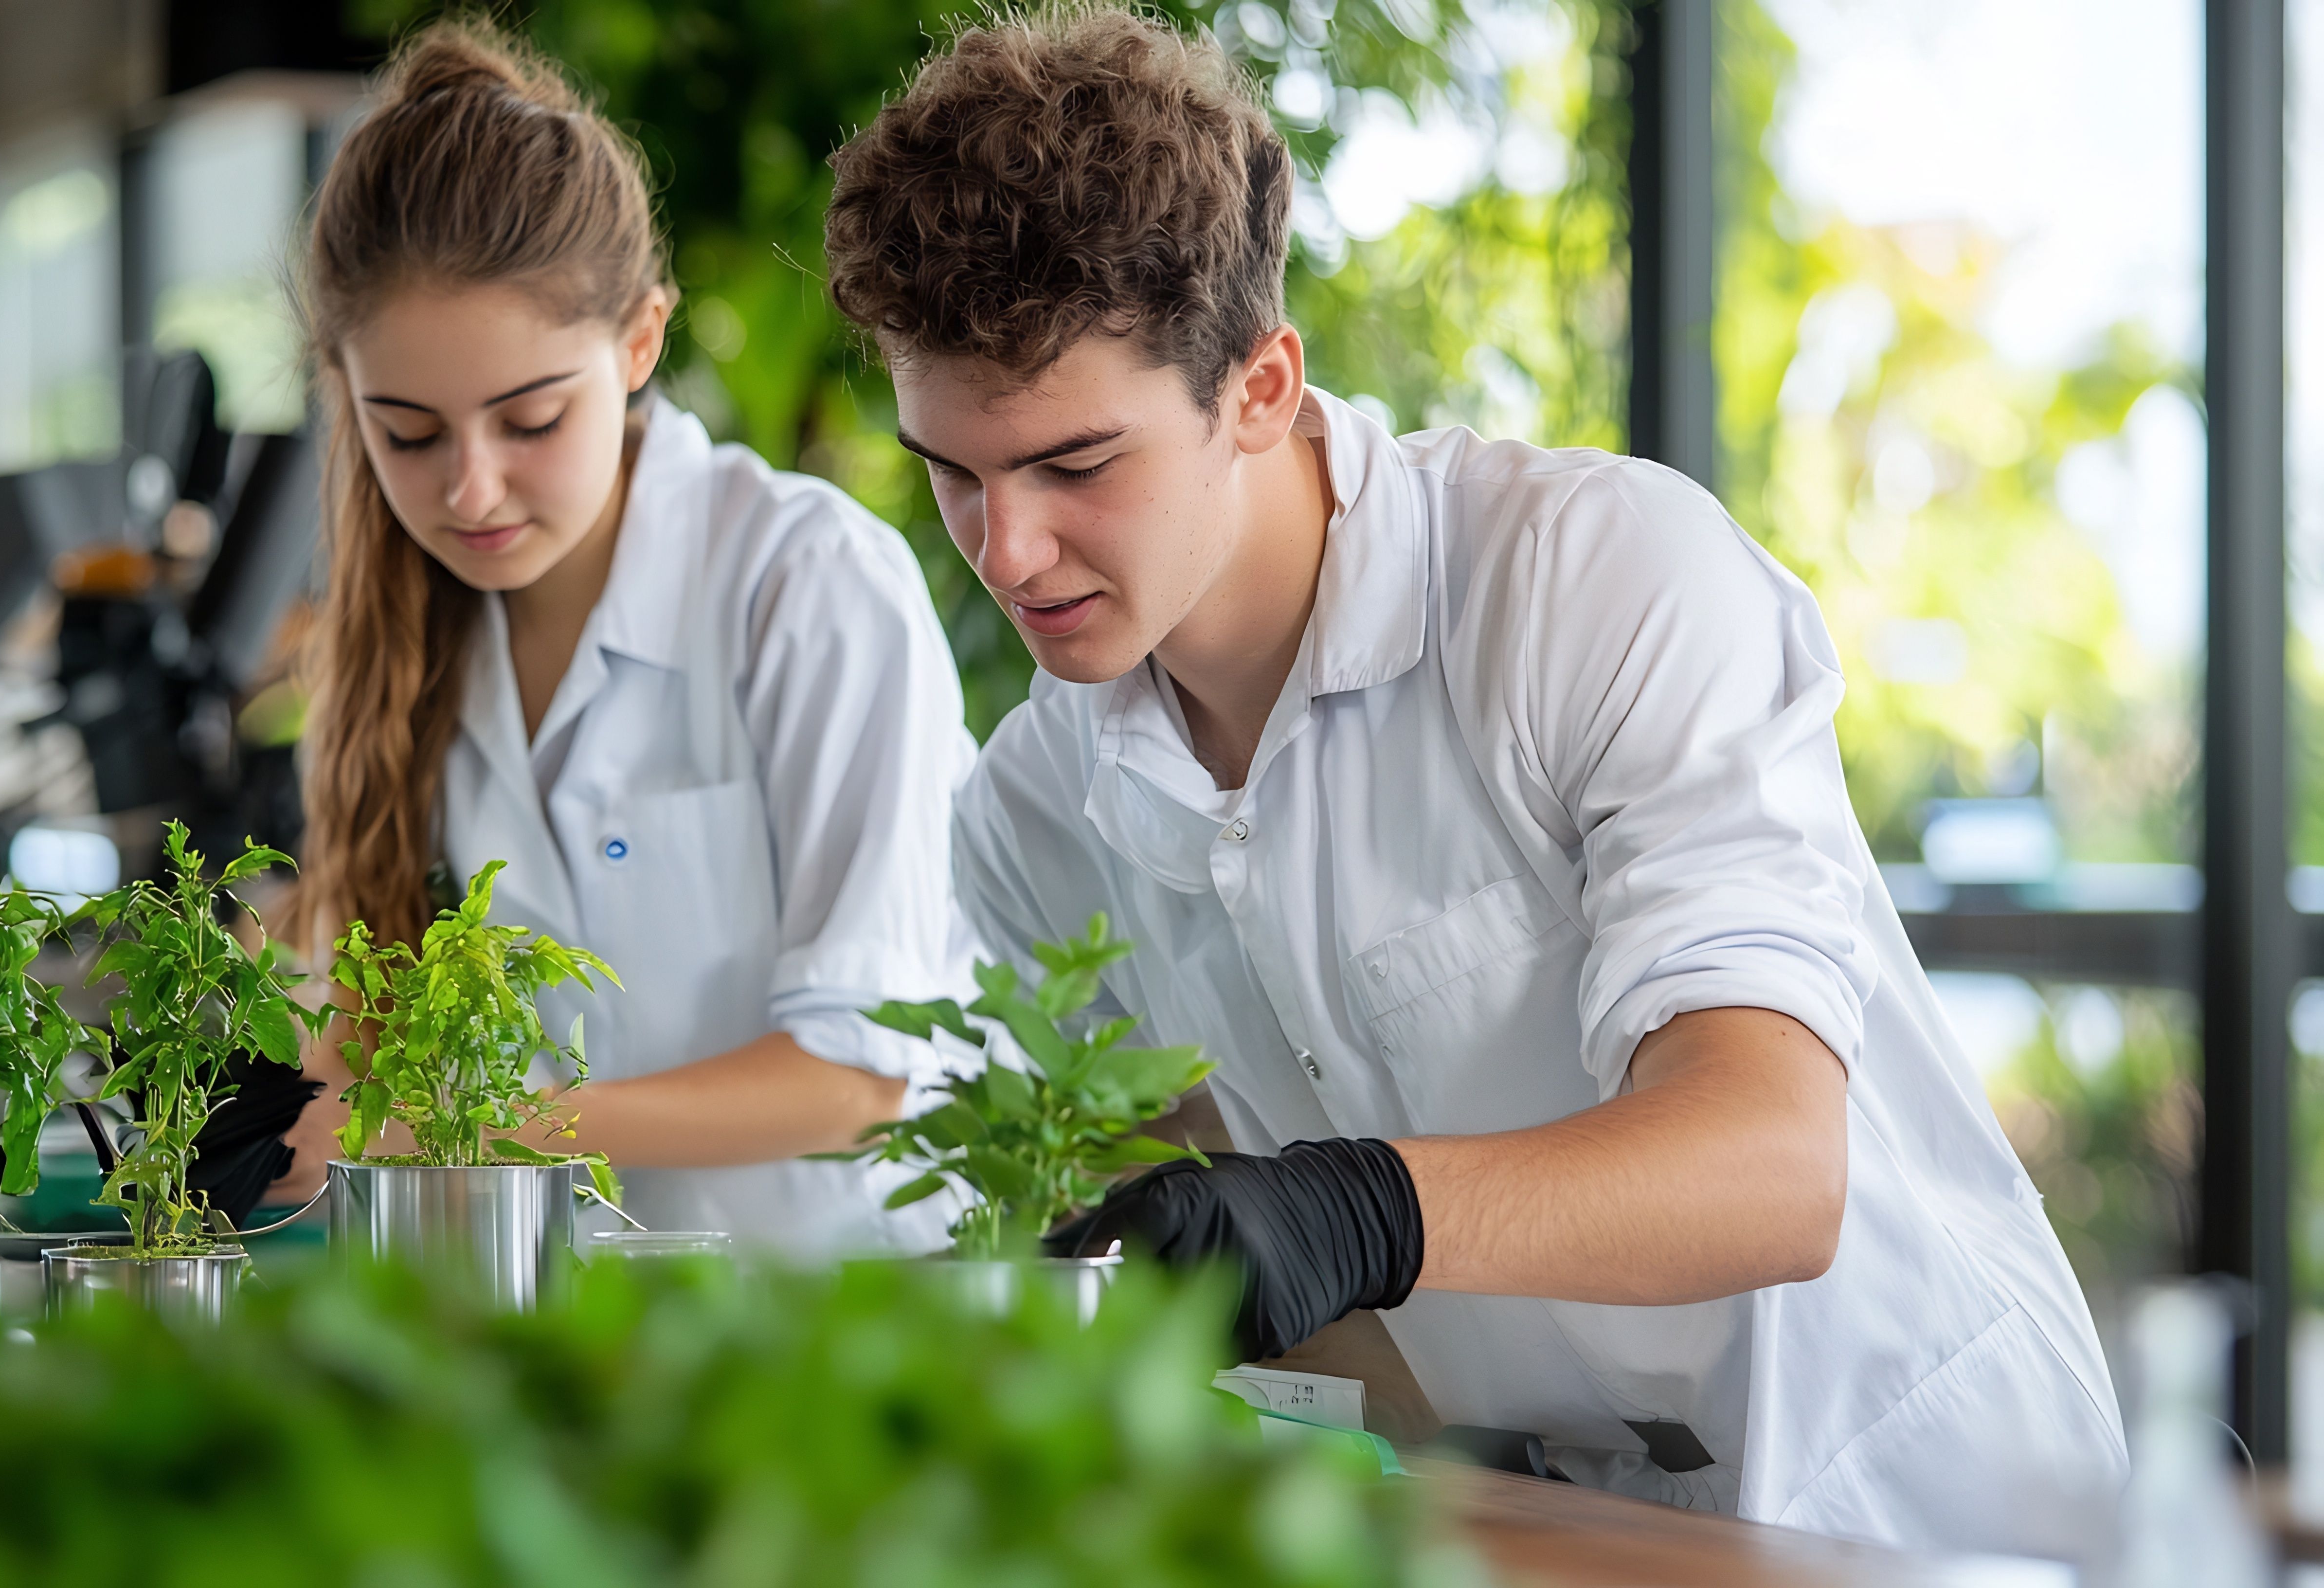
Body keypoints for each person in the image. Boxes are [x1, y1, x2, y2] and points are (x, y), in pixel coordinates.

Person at [819, 6, 2122, 1555]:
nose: (1006, 552)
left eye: (1076, 465)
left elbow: (1774, 1164)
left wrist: (1365, 1210)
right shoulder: (1036, 814)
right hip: (1559, 1525)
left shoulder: (1596, 582)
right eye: (953, 472)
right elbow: (1252, 1295)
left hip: (1926, 1504)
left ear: (1260, 384)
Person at [265, 21, 976, 1259]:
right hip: (572, 1353)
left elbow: (859, 1073)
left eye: (529, 419)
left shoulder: (804, 586)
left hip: (857, 1339)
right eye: (410, 435)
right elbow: (350, 1079)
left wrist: (459, 1131)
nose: (471, 491)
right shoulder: (399, 649)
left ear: (640, 344)